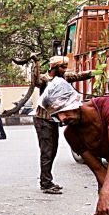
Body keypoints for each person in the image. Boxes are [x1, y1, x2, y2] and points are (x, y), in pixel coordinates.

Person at [33, 55, 96, 194]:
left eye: (65, 67)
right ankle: (46, 183)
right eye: (62, 67)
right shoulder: (45, 79)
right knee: (47, 152)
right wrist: (36, 62)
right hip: (43, 120)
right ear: (54, 67)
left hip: (53, 120)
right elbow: (36, 81)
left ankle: (47, 180)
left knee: (53, 150)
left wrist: (94, 73)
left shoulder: (63, 79)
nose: (64, 70)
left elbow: (77, 76)